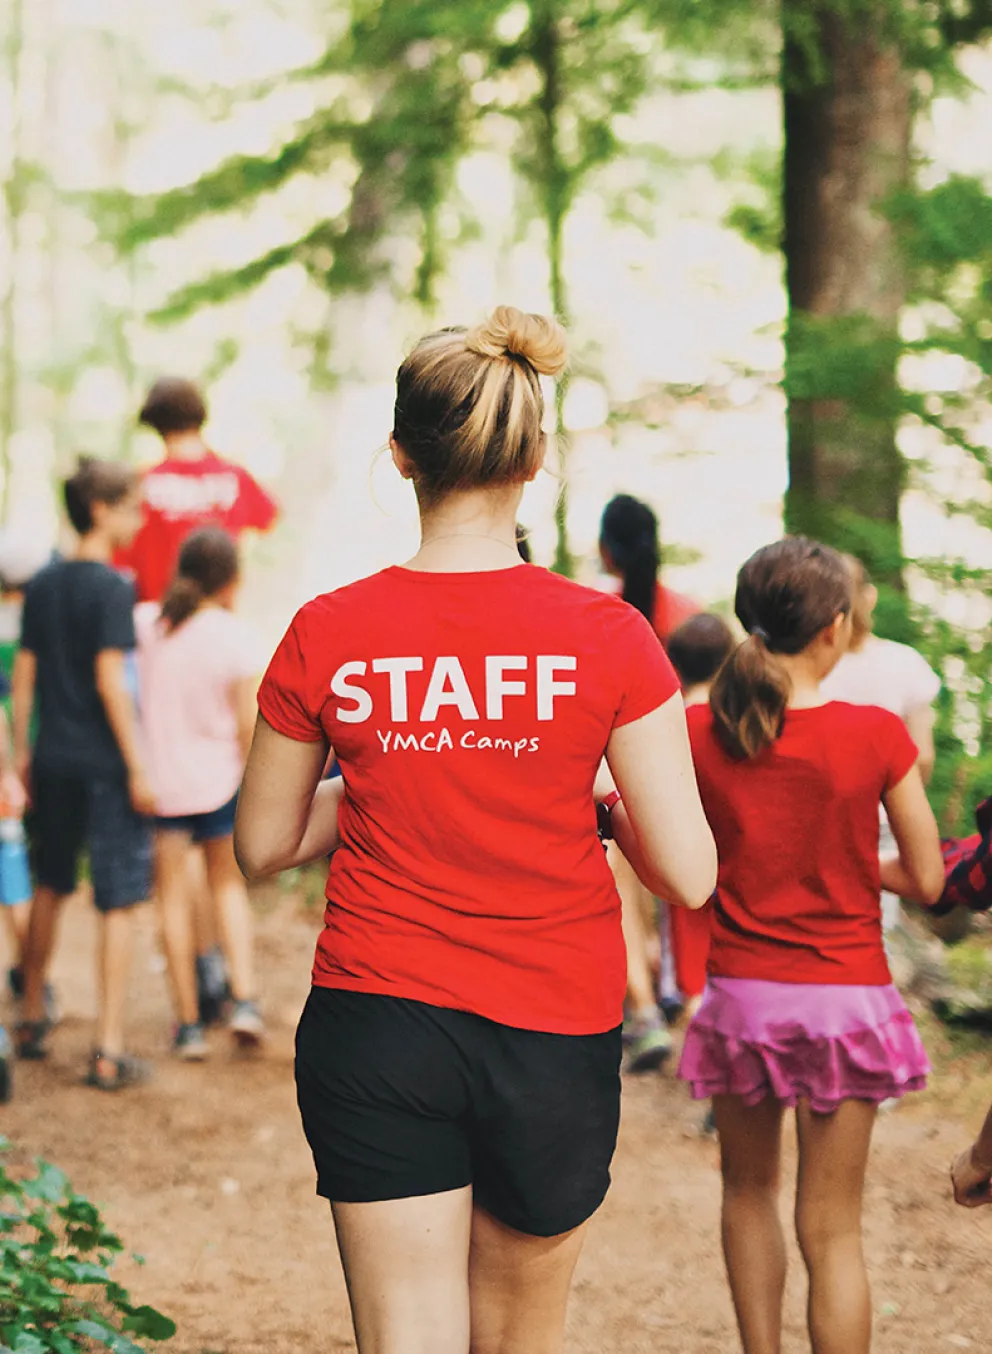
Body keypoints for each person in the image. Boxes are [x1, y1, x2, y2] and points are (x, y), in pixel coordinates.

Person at [234, 306, 717, 1354]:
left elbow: (260, 844)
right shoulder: (611, 637)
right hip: (552, 1022)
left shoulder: (327, 629)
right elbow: (684, 871)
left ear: (400, 455)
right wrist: (592, 805)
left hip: (378, 1019)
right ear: (532, 458)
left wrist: (380, 779)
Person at [678, 537, 945, 1354]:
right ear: (835, 627)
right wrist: (862, 866)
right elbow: (928, 879)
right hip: (847, 1001)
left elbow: (674, 860)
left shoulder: (697, 731)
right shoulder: (876, 735)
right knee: (833, 1231)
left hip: (744, 1002)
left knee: (747, 1194)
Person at [119, 376, 279, 1023]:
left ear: (154, 420)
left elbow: (126, 557)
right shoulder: (233, 477)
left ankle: (198, 977)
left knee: (176, 857)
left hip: (157, 642)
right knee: (220, 857)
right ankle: (233, 983)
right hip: (221, 645)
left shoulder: (144, 483)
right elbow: (263, 523)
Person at [12, 458, 154, 1089]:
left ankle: (28, 1015)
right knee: (117, 900)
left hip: (52, 759)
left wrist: (20, 754)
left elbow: (23, 678)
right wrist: (139, 766)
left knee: (49, 882)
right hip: (102, 763)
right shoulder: (114, 587)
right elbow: (111, 683)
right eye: (131, 505)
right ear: (101, 509)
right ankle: (107, 1047)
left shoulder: (41, 583)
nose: (139, 517)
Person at [135, 528, 264, 1059]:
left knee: (170, 900)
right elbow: (247, 723)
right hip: (220, 783)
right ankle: (245, 1000)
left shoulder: (146, 623)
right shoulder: (233, 635)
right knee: (227, 890)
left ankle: (188, 1025)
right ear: (231, 579)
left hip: (161, 785)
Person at [598, 493, 702, 1066]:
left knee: (623, 892)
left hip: (613, 781)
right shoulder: (688, 612)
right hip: (685, 773)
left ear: (606, 551)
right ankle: (682, 1000)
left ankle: (642, 1007)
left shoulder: (596, 613)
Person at [821, 555, 941, 936]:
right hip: (884, 816)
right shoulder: (905, 663)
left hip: (818, 816)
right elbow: (922, 756)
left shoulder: (809, 662)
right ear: (868, 597)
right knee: (872, 929)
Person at [665, 613, 735, 1015]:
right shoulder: (737, 723)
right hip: (736, 855)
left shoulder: (671, 723)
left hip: (686, 854)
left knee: (693, 963)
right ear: (728, 660)